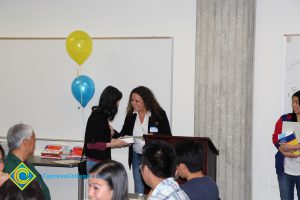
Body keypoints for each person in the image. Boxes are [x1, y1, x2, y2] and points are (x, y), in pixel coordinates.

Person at [120, 86, 172, 194]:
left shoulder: (159, 114)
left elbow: (168, 137)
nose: (133, 103)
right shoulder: (131, 115)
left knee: (154, 189)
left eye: (137, 101)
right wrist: (112, 133)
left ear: (146, 101)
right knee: (139, 190)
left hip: (154, 158)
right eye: (132, 100)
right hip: (136, 157)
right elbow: (123, 134)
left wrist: (154, 137)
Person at [84, 86, 128, 172]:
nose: (118, 105)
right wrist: (113, 144)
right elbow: (91, 144)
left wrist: (122, 138)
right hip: (96, 164)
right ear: (111, 102)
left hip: (102, 162)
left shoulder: (103, 117)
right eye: (117, 102)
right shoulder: (97, 117)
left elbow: (103, 136)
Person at [3, 123, 51, 200]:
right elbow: (33, 195)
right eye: (34, 140)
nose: (35, 143)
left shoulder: (23, 164)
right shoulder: (15, 167)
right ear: (25, 142)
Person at [272, 90, 300, 200]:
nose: (294, 105)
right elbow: (276, 138)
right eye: (293, 102)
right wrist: (282, 149)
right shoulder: (285, 119)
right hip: (285, 171)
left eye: (297, 102)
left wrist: (295, 147)